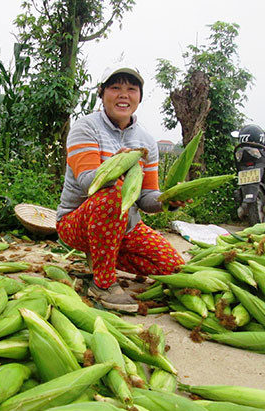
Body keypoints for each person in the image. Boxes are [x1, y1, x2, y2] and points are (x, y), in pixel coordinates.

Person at [56, 62, 189, 313]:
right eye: (115, 87)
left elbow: (147, 198)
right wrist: (117, 165)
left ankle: (101, 259)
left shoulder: (146, 140)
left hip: (126, 227)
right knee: (113, 195)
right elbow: (87, 182)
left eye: (131, 88)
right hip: (77, 222)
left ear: (139, 96)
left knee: (173, 268)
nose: (123, 95)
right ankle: (103, 284)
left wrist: (169, 199)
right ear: (102, 93)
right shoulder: (86, 128)